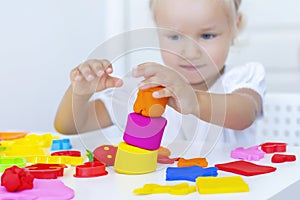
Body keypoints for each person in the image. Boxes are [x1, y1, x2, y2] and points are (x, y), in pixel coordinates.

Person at [54, 0, 265, 150]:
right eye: (174, 36)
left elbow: (245, 114)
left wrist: (194, 100)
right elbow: (69, 126)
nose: (190, 53)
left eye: (207, 35)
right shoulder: (143, 86)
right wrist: (79, 93)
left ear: (235, 26)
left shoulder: (242, 78)